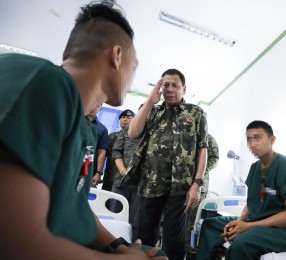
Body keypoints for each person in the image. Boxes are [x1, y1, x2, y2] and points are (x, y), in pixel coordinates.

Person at [0, 2, 166, 259]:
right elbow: (15, 243)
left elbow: (73, 205)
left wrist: (118, 246)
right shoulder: (42, 82)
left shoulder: (84, 129)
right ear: (117, 55)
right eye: (134, 68)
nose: (133, 80)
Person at [195, 120, 286, 260]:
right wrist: (239, 221)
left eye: (258, 138)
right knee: (211, 225)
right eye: (249, 139)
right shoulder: (254, 168)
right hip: (259, 222)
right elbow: (252, 203)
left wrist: (249, 226)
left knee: (242, 242)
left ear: (272, 139)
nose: (252, 144)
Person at [128, 68, 209, 260]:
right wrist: (149, 102)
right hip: (150, 184)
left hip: (180, 187)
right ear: (160, 88)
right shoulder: (152, 110)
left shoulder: (195, 113)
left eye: (175, 85)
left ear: (184, 88)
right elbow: (132, 133)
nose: (170, 89)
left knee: (174, 240)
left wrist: (197, 184)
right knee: (145, 237)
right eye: (166, 85)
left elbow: (202, 149)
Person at [186, 133, 219, 256]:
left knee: (192, 221)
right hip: (180, 186)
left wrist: (199, 171)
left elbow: (214, 159)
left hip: (199, 186)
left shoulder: (208, 138)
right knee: (177, 221)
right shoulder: (183, 136)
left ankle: (189, 251)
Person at [111, 109, 141, 241]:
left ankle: (132, 247)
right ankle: (111, 244)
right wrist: (123, 170)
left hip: (141, 184)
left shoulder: (153, 134)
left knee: (136, 220)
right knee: (115, 215)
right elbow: (116, 151)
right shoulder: (125, 132)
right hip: (121, 181)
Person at [102, 109, 135, 191]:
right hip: (110, 176)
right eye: (123, 117)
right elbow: (103, 155)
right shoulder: (112, 136)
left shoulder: (135, 138)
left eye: (128, 117)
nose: (125, 119)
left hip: (126, 179)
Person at [88, 104, 110, 187]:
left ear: (100, 109)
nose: (93, 107)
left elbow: (102, 152)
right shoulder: (76, 121)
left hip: (89, 170)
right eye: (93, 103)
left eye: (97, 106)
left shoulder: (102, 129)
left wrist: (98, 173)